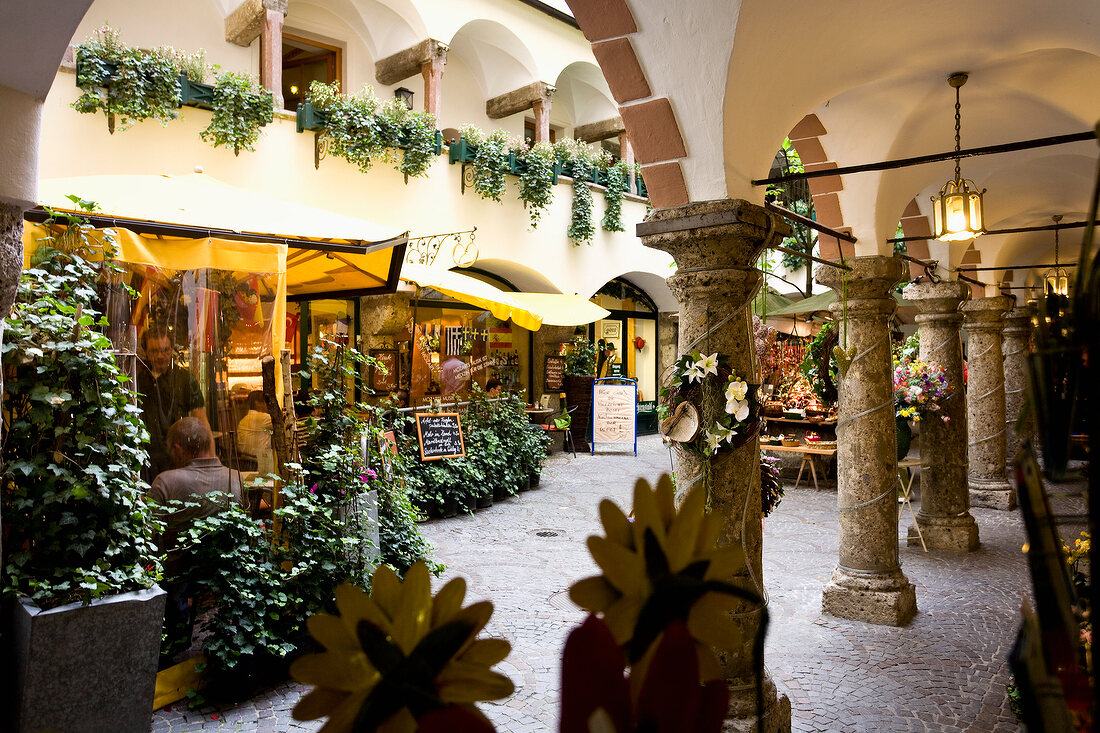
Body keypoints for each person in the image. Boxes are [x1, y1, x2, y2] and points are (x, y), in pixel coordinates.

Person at [148, 417, 243, 663]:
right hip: (221, 573)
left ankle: (172, 646)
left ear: (178, 448)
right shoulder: (235, 478)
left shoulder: (166, 482)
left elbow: (146, 537)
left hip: (176, 580)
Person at [137, 327, 206, 480]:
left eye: (165, 350)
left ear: (172, 350)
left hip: (179, 460)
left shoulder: (184, 380)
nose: (161, 356)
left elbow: (201, 420)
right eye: (154, 351)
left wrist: (208, 461)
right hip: (145, 461)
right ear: (146, 352)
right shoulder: (137, 381)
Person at [236, 390, 274, 475]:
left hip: (245, 463)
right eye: (266, 402)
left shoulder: (244, 419)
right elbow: (282, 423)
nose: (268, 406)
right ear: (257, 403)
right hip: (259, 464)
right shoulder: (264, 418)